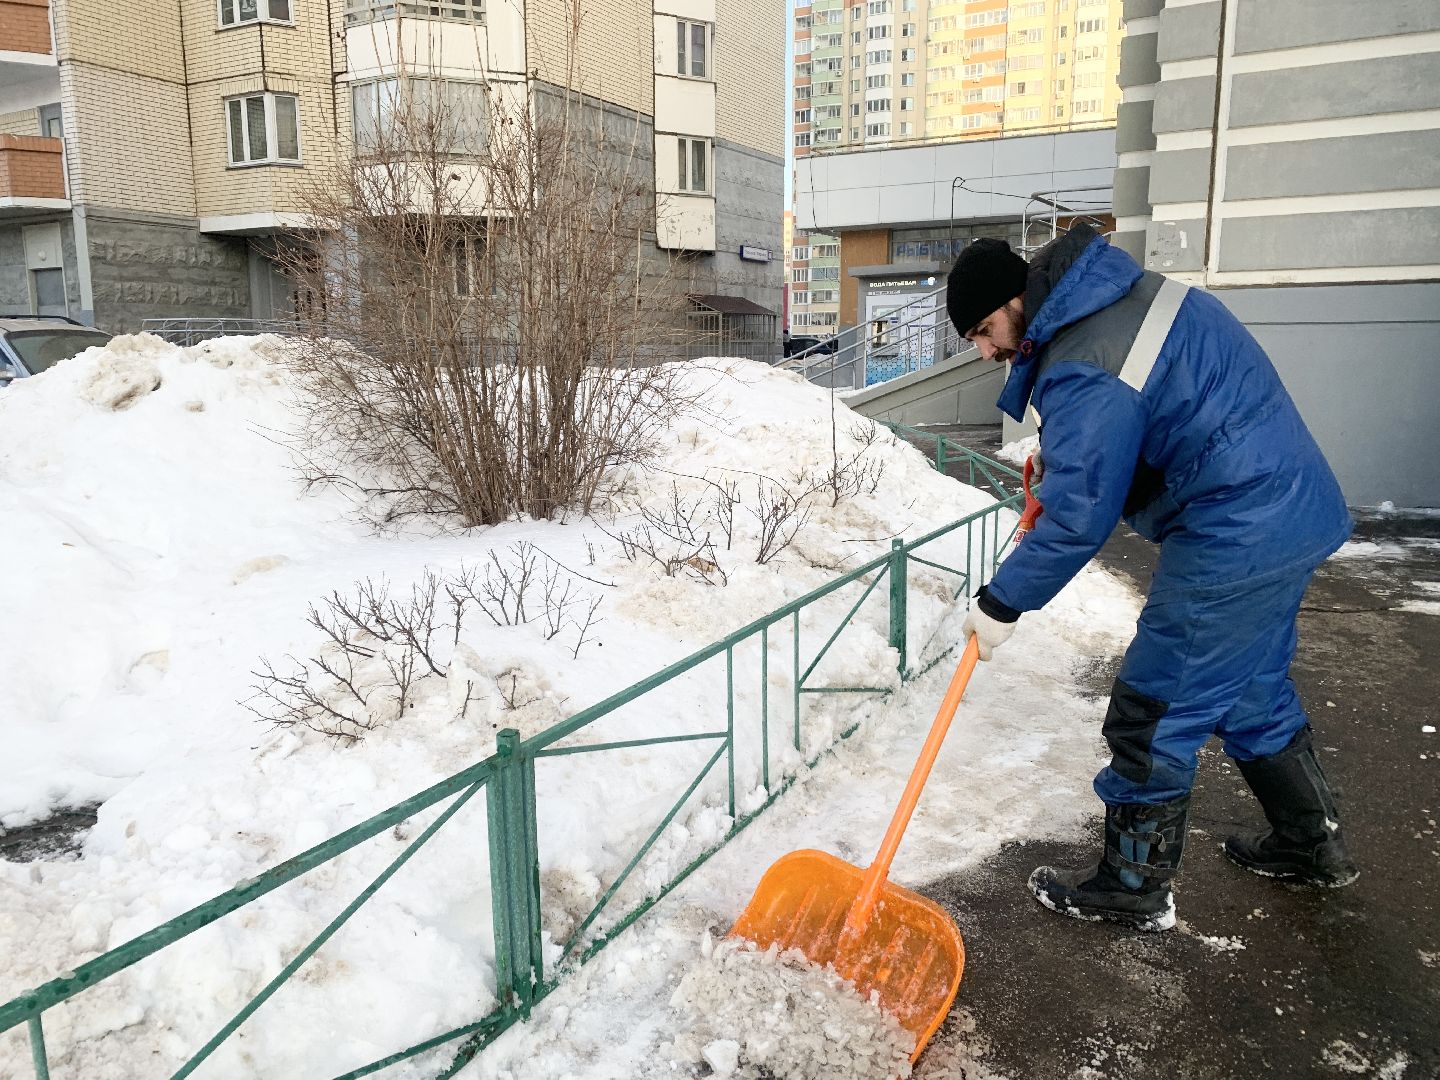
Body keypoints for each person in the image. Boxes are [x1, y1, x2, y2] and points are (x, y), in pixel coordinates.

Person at [949, 225, 1358, 933]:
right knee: (1251, 689)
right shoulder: (1121, 299)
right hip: (1290, 507)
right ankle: (1309, 841)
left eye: (985, 330)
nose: (987, 352)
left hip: (1236, 527)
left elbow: (1080, 513)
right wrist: (1070, 462)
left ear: (1019, 300)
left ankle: (1132, 885)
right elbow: (1159, 417)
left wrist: (1002, 600)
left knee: (1154, 704)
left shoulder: (1081, 358)